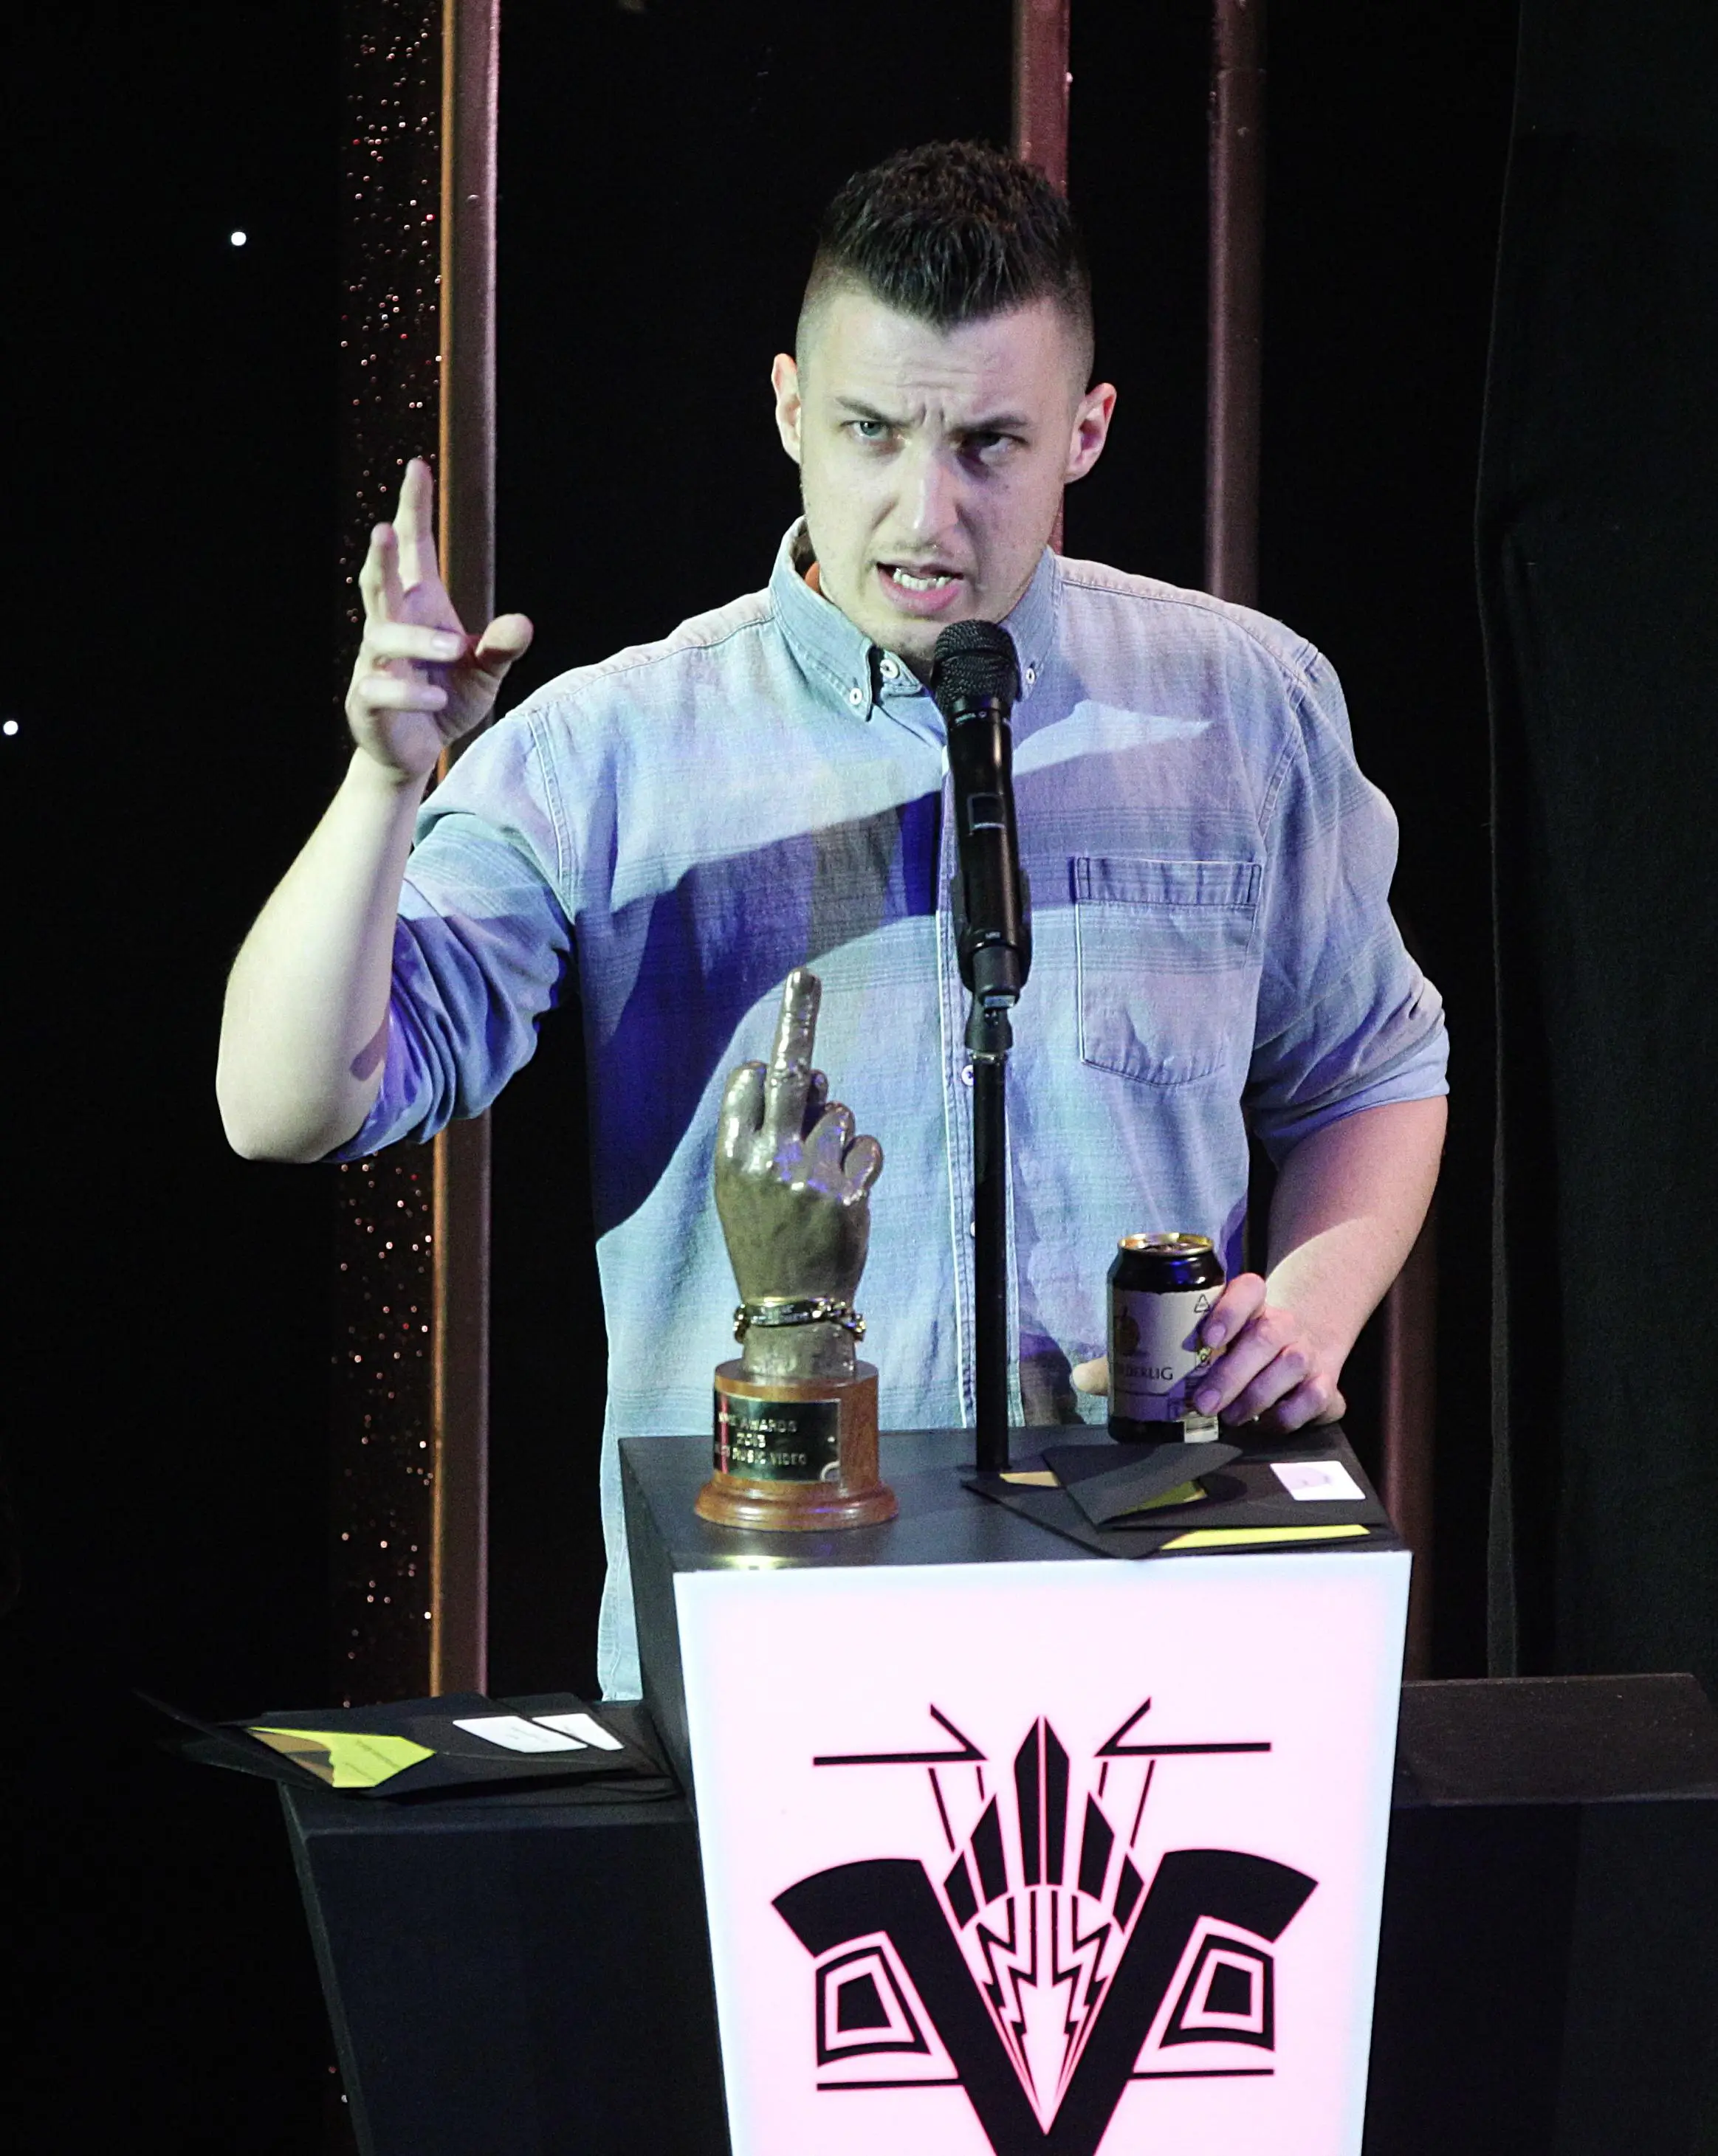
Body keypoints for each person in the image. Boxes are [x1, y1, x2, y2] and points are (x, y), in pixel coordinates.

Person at [218, 142, 1447, 1698]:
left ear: (1084, 433)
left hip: (1152, 1635)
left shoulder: (1241, 704)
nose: (924, 512)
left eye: (989, 444)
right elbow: (287, 1104)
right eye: (871, 432)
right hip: (767, 1644)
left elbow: (1371, 1069)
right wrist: (382, 785)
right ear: (791, 409)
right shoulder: (612, 749)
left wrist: (1310, 1310)